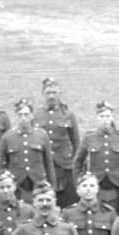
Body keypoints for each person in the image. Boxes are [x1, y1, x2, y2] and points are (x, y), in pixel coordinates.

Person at [72, 101, 119, 216]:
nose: (105, 119)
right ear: (97, 118)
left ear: (113, 117)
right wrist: (79, 183)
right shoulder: (89, 137)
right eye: (102, 116)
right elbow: (77, 162)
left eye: (107, 116)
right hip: (97, 184)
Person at [34, 78, 80, 208]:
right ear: (43, 94)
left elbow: (76, 142)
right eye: (48, 93)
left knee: (69, 202)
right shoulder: (36, 115)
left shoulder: (68, 115)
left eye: (54, 92)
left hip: (64, 166)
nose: (51, 96)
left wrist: (75, 165)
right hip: (44, 166)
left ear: (59, 93)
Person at [2, 97, 56, 200]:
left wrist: (52, 186)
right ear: (16, 116)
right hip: (17, 184)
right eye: (20, 115)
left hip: (38, 183)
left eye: (26, 115)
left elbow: (49, 164)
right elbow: (3, 164)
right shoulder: (7, 137)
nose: (23, 118)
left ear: (31, 116)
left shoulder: (41, 136)